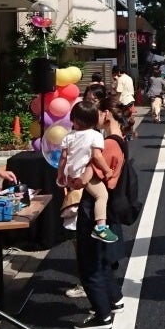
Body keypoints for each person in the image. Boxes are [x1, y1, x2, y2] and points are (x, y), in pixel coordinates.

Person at [70, 95, 129, 329]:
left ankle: (102, 315)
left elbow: (91, 173)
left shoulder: (109, 144)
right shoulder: (117, 139)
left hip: (93, 207)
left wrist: (73, 180)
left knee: (89, 263)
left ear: (105, 114)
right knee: (101, 258)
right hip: (107, 206)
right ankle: (114, 299)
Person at [58, 100, 118, 243]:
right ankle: (101, 227)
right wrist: (107, 170)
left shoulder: (68, 136)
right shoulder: (95, 135)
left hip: (72, 174)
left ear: (74, 120)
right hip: (86, 175)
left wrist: (60, 174)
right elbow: (97, 156)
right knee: (101, 196)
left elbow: (63, 158)